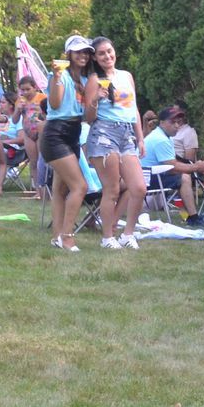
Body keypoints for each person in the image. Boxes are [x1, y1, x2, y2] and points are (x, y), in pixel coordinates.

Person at [83, 36, 143, 250]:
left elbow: (133, 108)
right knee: (112, 189)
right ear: (96, 58)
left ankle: (128, 234)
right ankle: (107, 238)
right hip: (104, 133)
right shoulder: (93, 80)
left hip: (127, 134)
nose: (107, 56)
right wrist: (95, 100)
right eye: (101, 54)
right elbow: (88, 118)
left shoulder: (126, 76)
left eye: (109, 51)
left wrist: (141, 137)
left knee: (139, 187)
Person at [42, 36, 93, 252]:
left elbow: (88, 116)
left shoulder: (85, 80)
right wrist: (56, 76)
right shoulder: (59, 75)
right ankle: (68, 236)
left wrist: (96, 98)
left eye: (86, 52)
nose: (82, 55)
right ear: (68, 54)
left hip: (74, 132)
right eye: (77, 51)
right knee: (80, 186)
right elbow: (54, 104)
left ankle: (56, 238)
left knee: (60, 189)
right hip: (56, 133)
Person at [141, 104, 204, 223]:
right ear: (161, 122)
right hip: (144, 178)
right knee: (184, 178)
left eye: (178, 122)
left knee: (182, 178)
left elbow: (173, 164)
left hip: (148, 175)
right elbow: (172, 167)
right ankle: (193, 218)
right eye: (173, 122)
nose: (177, 126)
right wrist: (196, 167)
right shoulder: (160, 139)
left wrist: (197, 166)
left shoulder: (165, 136)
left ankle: (188, 216)